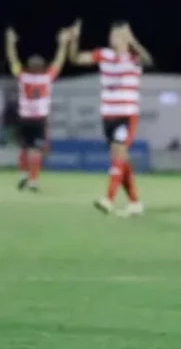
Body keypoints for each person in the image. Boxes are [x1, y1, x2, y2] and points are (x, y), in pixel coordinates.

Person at [68, 20, 154, 216]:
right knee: (120, 160)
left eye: (117, 35)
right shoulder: (104, 55)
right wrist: (73, 41)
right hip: (108, 115)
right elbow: (76, 59)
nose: (112, 38)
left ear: (125, 38)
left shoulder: (133, 58)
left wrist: (133, 41)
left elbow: (149, 60)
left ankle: (108, 199)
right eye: (111, 34)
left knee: (119, 154)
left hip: (126, 114)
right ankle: (135, 202)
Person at [5, 27, 70, 191]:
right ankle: (33, 180)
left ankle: (23, 174)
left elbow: (12, 59)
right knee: (36, 150)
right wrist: (63, 44)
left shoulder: (23, 76)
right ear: (42, 66)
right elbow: (59, 62)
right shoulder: (46, 77)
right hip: (39, 119)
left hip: (24, 118)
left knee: (25, 148)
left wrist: (10, 42)